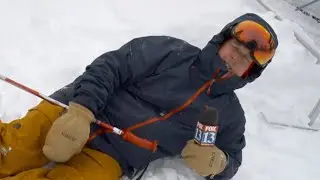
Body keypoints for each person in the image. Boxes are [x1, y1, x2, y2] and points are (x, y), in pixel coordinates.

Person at [0, 13, 278, 180]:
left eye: (243, 59)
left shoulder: (230, 115)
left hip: (113, 156)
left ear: (250, 73)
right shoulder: (171, 51)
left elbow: (232, 157)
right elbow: (110, 67)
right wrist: (81, 111)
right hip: (70, 112)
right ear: (222, 41)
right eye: (234, 48)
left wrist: (218, 164)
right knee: (10, 151)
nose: (234, 59)